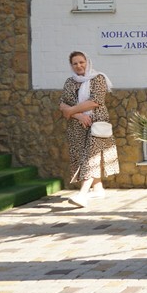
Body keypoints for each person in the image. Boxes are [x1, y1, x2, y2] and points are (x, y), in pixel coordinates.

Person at [58, 51, 119, 207]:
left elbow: (95, 101)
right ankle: (98, 189)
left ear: (87, 62)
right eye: (75, 63)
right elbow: (62, 104)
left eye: (81, 62)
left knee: (91, 158)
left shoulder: (98, 78)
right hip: (77, 126)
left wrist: (72, 111)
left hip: (97, 124)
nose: (79, 66)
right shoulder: (70, 82)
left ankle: (82, 195)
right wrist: (78, 115)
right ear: (71, 66)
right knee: (84, 157)